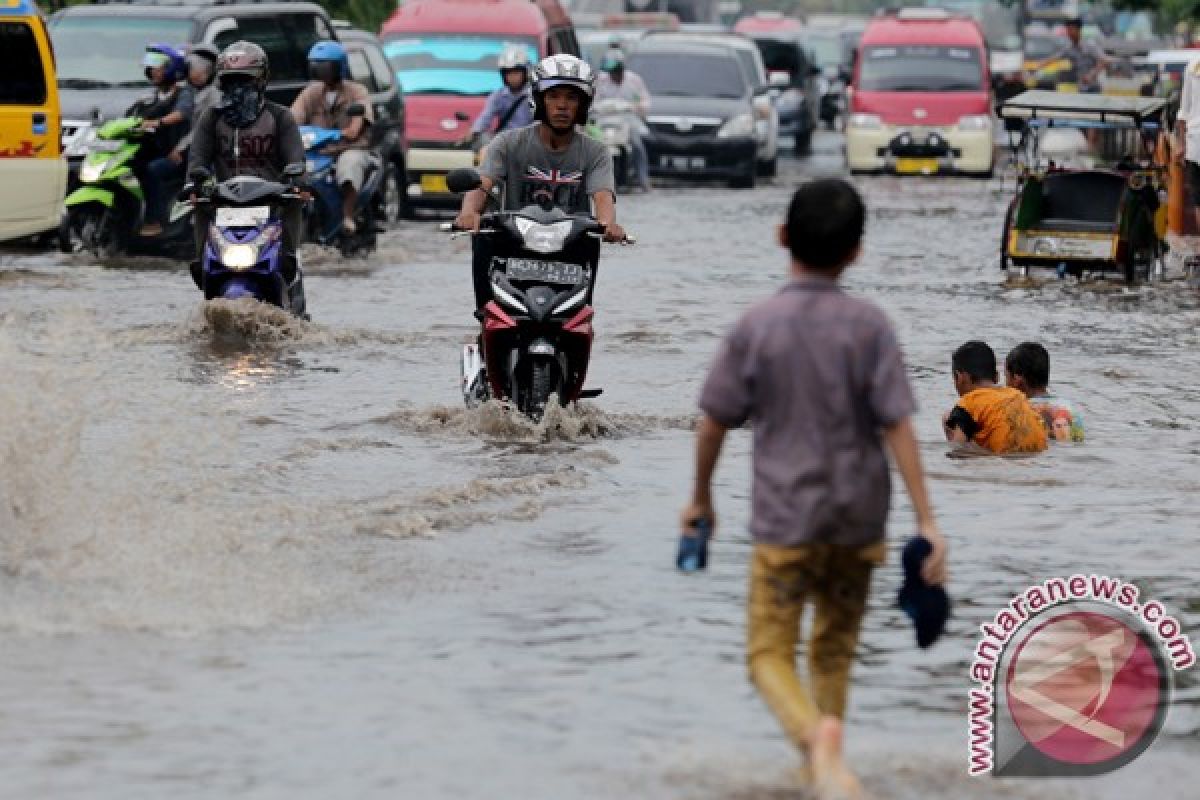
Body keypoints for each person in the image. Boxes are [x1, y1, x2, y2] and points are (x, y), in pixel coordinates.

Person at [680, 179, 947, 800]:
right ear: (856, 251)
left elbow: (714, 422)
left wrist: (701, 497)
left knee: (767, 653)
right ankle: (823, 774)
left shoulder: (756, 326)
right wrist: (927, 520)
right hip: (859, 521)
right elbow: (898, 425)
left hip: (785, 523)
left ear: (781, 238)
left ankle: (811, 741)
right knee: (832, 651)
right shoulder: (871, 326)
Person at [454, 54, 626, 312]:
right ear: (539, 100)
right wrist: (468, 213)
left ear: (583, 105)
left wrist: (608, 224)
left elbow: (602, 196)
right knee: (483, 237)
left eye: (571, 98)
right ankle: (485, 316)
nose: (562, 106)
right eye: (554, 96)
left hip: (571, 249)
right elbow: (482, 183)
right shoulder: (508, 143)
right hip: (514, 245)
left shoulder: (596, 152)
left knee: (590, 250)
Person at [187, 41, 308, 315]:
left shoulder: (281, 117)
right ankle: (201, 266)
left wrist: (297, 180)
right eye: (231, 81)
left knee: (294, 211)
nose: (238, 88)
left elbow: (296, 159)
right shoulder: (211, 118)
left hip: (272, 204)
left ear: (262, 80)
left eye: (246, 80)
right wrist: (196, 182)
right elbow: (198, 159)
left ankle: (289, 270)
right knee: (197, 206)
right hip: (223, 205)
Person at [291, 40, 375, 236]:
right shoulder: (310, 92)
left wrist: (348, 132)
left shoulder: (357, 92)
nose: (321, 72)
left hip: (348, 148)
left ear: (339, 67)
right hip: (317, 151)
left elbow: (355, 128)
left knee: (349, 167)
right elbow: (293, 118)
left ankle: (347, 215)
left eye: (325, 67)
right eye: (317, 67)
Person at [943, 341, 1047, 454]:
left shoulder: (969, 402)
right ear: (996, 377)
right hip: (1037, 454)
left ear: (959, 377)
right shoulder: (1016, 395)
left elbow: (958, 449)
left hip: (1004, 460)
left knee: (947, 418)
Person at [136, 43, 193, 238]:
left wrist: (158, 122)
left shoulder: (183, 93)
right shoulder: (152, 95)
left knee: (153, 171)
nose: (153, 70)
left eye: (158, 65)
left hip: (178, 151)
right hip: (158, 148)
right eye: (150, 65)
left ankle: (155, 220)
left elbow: (182, 114)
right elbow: (136, 115)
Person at [595, 47, 652, 192]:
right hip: (605, 121)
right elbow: (591, 100)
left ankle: (643, 179)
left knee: (637, 145)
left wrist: (635, 106)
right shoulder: (600, 80)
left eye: (616, 72)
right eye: (611, 73)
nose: (613, 75)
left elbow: (646, 101)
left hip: (628, 121)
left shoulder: (634, 81)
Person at [1005, 342, 1085, 443]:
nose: (1006, 383)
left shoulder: (1021, 410)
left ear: (1016, 379)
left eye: (1006, 376)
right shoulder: (1070, 407)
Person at [467, 44, 534, 145]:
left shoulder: (536, 95)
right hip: (504, 145)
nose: (512, 77)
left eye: (516, 72)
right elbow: (485, 117)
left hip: (530, 145)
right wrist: (475, 131)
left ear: (526, 73)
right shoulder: (498, 96)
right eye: (508, 73)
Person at [1033, 17, 1109, 92]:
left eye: (1071, 29)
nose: (1069, 33)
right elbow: (1054, 58)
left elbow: (1104, 60)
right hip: (1081, 88)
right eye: (1068, 30)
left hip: (1093, 87)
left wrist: (1091, 75)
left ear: (1079, 30)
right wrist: (1038, 66)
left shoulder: (1090, 45)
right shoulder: (1069, 48)